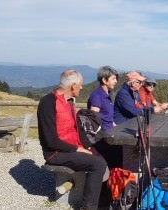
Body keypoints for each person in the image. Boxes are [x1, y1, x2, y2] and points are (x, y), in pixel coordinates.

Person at [37, 69, 107, 210]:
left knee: (104, 151)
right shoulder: (48, 102)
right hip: (55, 153)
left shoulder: (69, 102)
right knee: (98, 164)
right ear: (73, 85)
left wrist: (87, 147)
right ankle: (88, 207)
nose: (81, 87)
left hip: (69, 148)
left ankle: (103, 200)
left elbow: (75, 131)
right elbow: (51, 141)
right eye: (80, 85)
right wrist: (78, 149)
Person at [87, 65, 122, 168]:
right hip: (103, 138)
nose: (116, 81)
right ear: (104, 80)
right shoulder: (97, 96)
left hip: (109, 133)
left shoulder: (108, 94)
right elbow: (93, 119)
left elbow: (108, 117)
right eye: (113, 78)